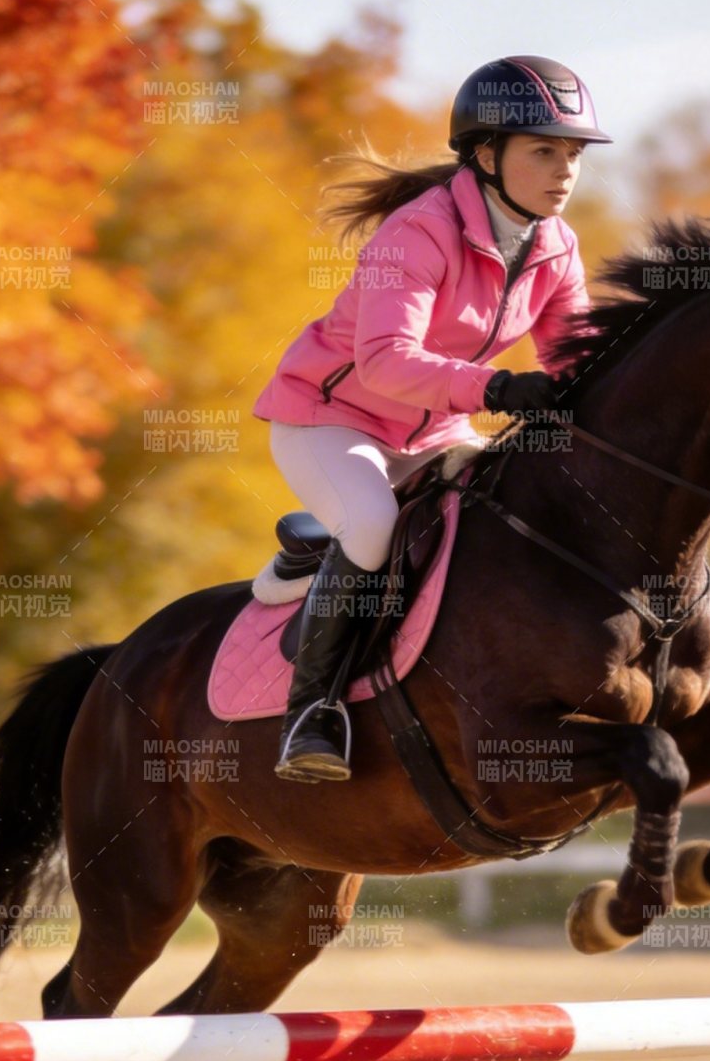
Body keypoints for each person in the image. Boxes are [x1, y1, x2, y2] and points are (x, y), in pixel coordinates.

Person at [253, 55, 610, 782]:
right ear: (487, 155)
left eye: (573, 154)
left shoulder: (557, 247)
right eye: (544, 151)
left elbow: (575, 362)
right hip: (331, 419)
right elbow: (384, 362)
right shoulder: (418, 231)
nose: (565, 171)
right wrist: (499, 389)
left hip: (434, 431)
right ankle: (310, 712)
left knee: (507, 515)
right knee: (372, 525)